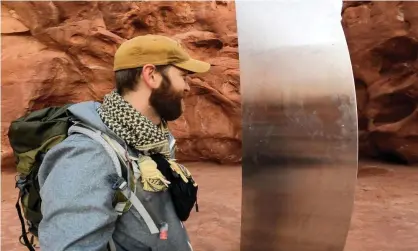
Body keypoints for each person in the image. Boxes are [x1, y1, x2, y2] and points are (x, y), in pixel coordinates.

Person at [37, 34, 211, 251]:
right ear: (151, 75)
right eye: (183, 76)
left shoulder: (153, 140)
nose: (187, 87)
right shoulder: (88, 155)